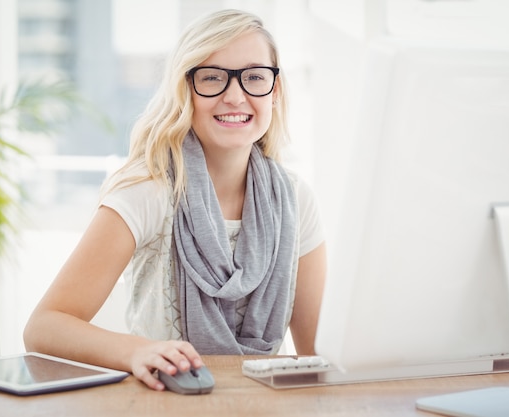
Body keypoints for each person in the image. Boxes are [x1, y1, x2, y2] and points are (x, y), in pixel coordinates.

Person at [24, 8, 326, 392]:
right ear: (186, 89)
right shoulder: (145, 192)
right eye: (213, 78)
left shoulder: (296, 199)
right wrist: (136, 352)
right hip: (164, 403)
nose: (236, 96)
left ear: (275, 91)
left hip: (264, 404)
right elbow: (44, 325)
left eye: (254, 77)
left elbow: (317, 352)